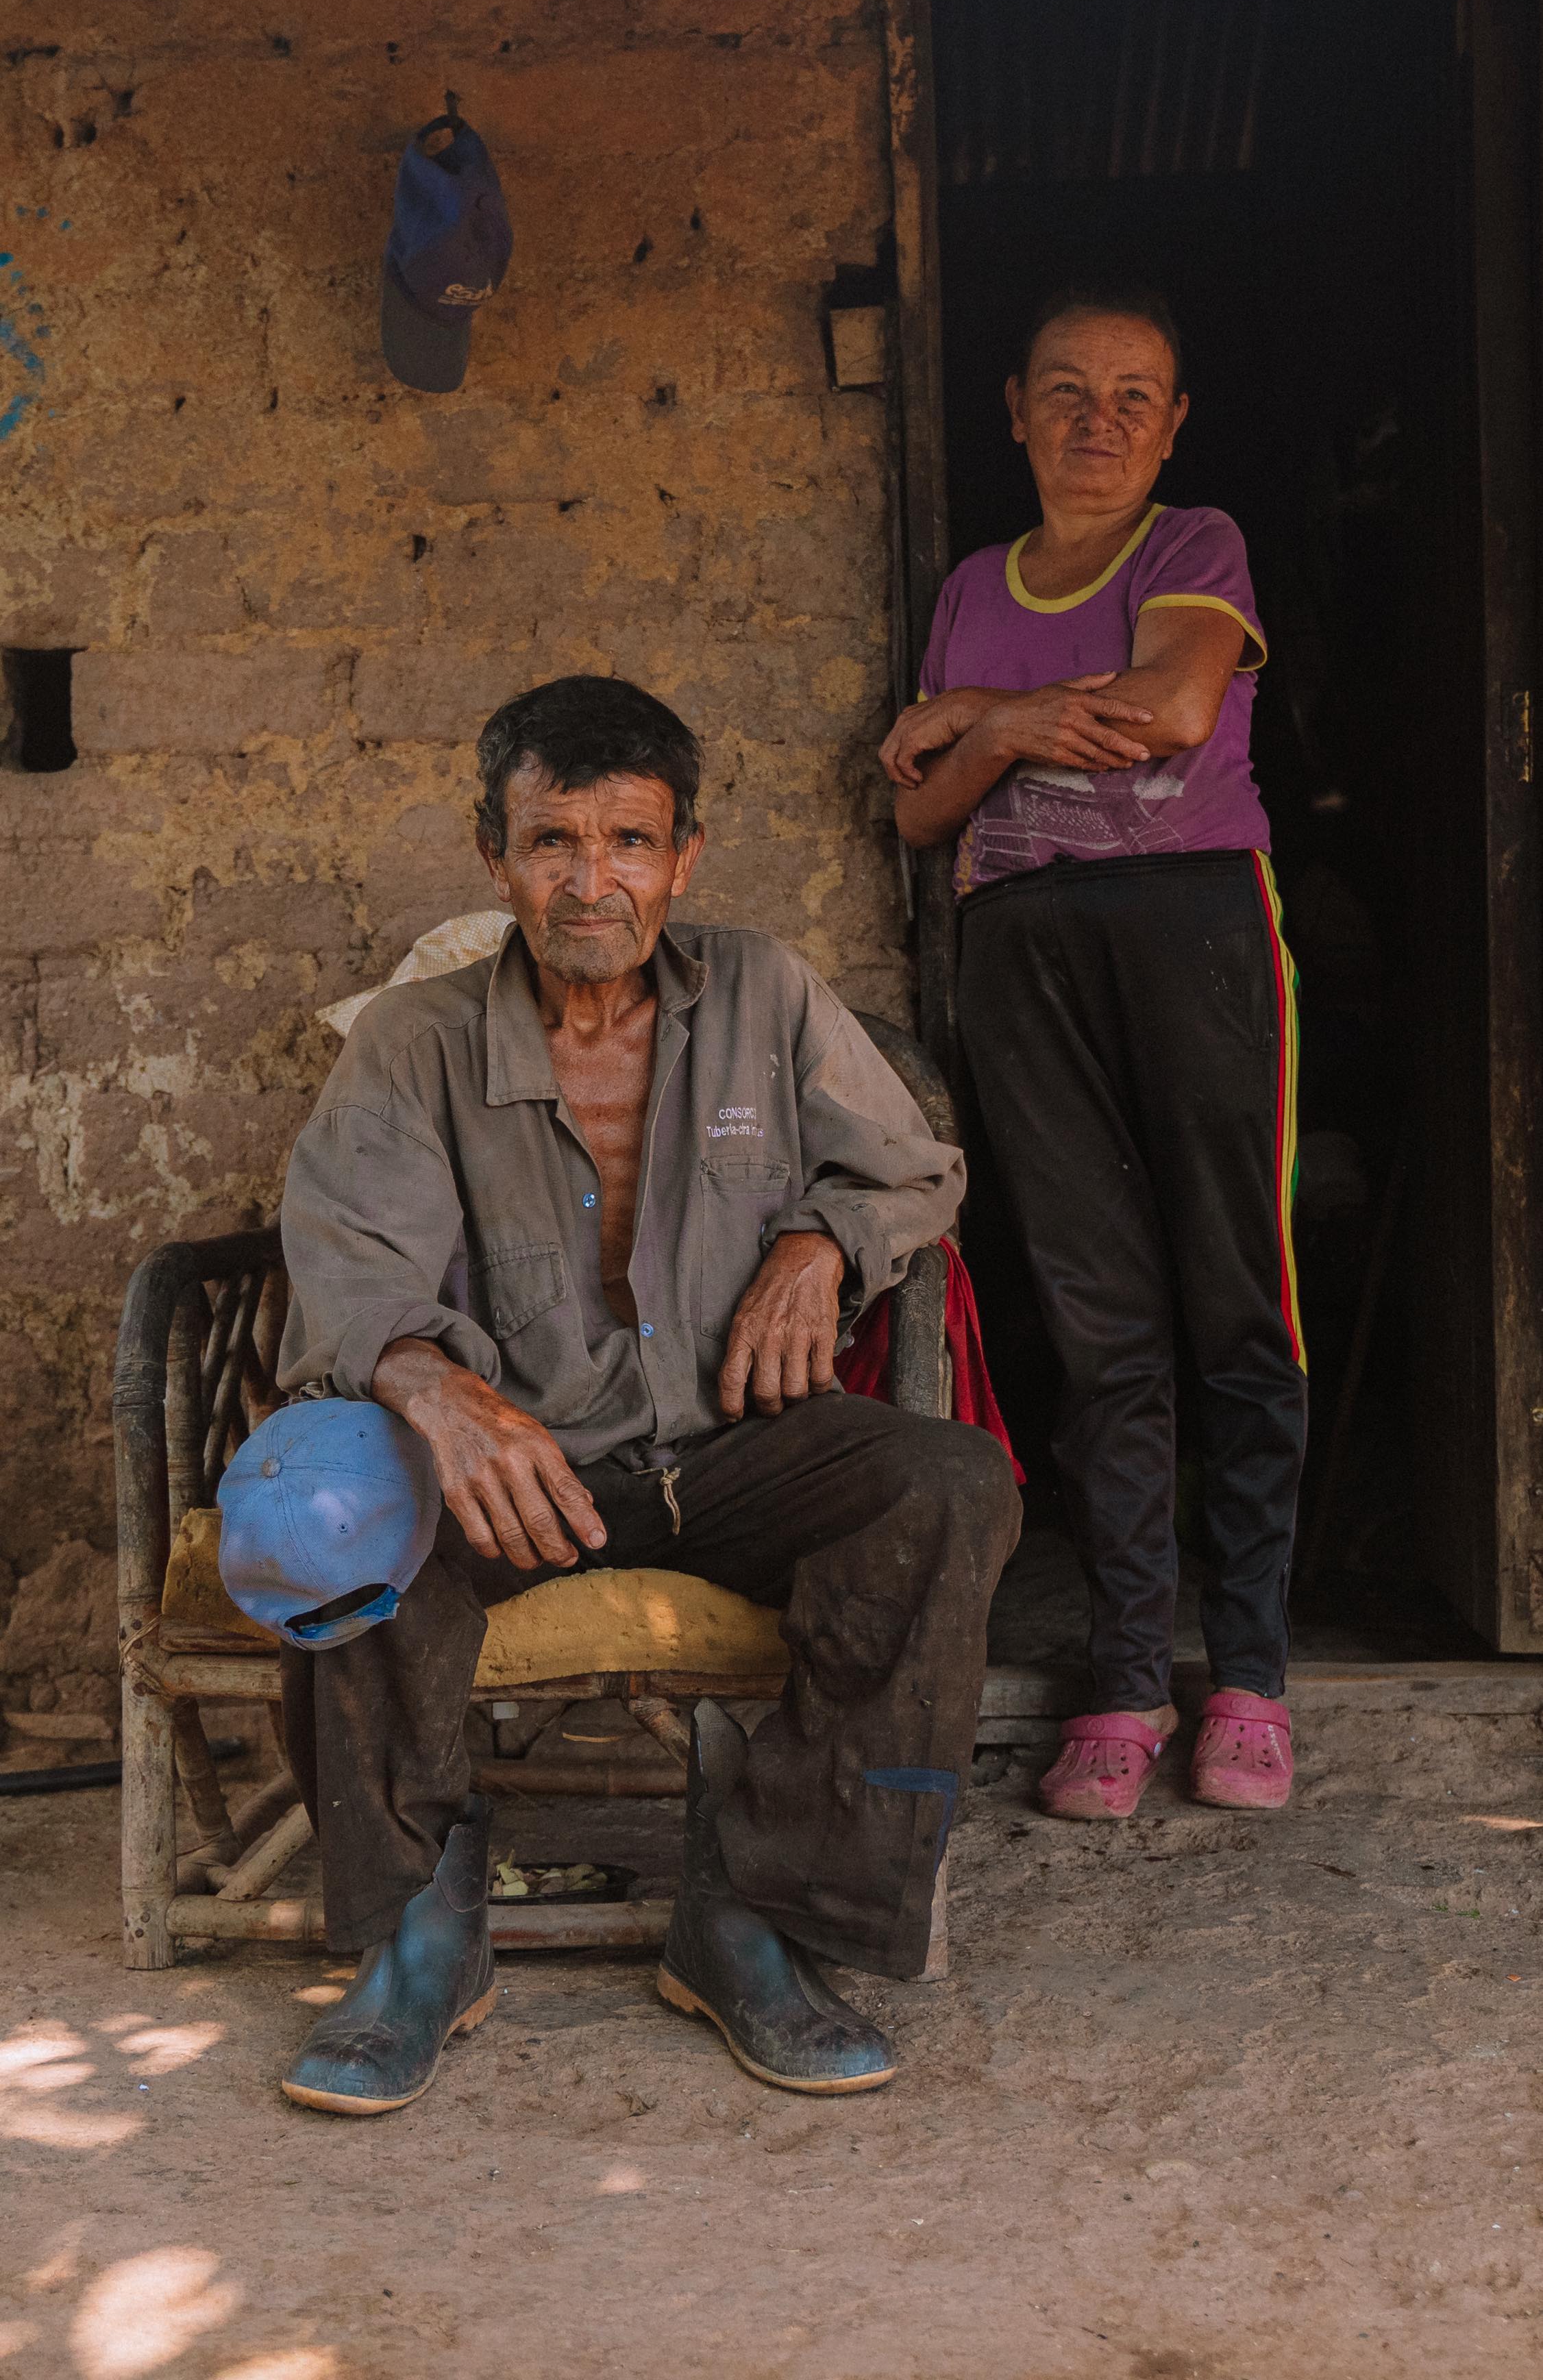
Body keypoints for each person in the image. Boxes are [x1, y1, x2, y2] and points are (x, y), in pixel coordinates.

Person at [239, 673, 1020, 2114]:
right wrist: (430, 1384)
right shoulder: (412, 1041)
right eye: (552, 841)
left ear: (683, 856)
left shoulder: (769, 995)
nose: (590, 880)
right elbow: (347, 1269)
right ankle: (418, 1925)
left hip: (735, 1453)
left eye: (628, 840)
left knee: (948, 1479)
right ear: (496, 856)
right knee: (336, 1503)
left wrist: (816, 1240)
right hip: (527, 1468)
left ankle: (755, 1914)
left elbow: (912, 1171)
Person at [880, 286, 1305, 1823]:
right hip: (1021, 950)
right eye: (1065, 390)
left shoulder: (1193, 546)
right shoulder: (969, 583)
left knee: (1232, 1293)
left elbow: (1175, 708)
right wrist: (1013, 734)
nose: (1099, 421)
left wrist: (982, 716)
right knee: (1094, 1310)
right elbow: (922, 814)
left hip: (1190, 928)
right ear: (1012, 407)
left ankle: (1247, 1674)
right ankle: (1129, 1675)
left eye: (1135, 394)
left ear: (1175, 420)